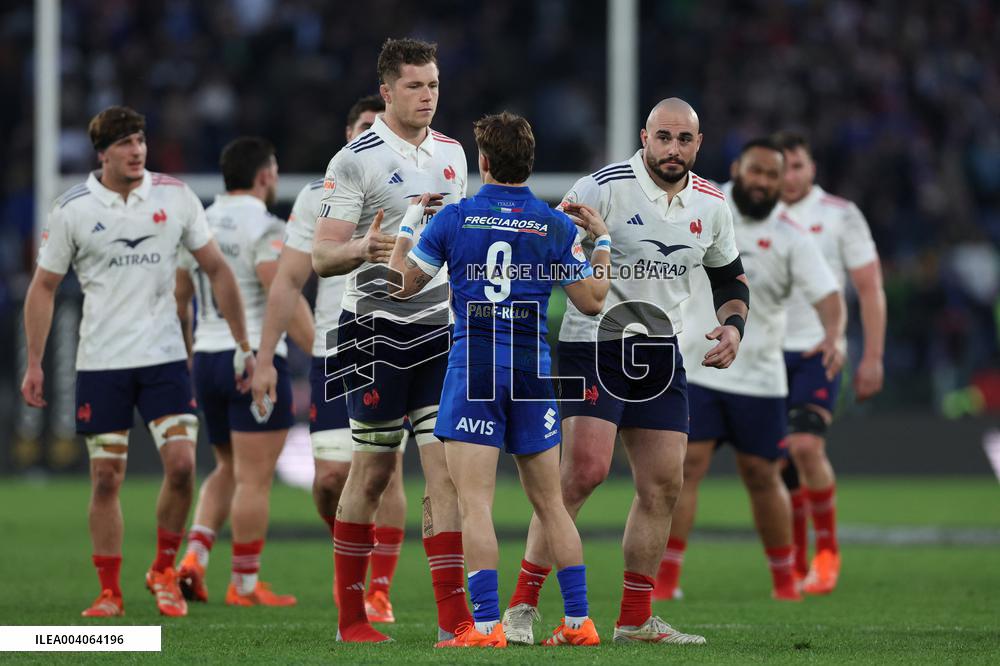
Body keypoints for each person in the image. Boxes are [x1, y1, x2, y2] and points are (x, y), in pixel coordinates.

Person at [502, 98, 748, 646]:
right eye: (663, 137)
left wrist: (733, 329)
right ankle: (520, 608)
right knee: (583, 473)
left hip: (660, 354)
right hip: (594, 346)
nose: (672, 149)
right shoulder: (603, 187)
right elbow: (545, 242)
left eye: (684, 139)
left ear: (698, 144)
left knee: (664, 485)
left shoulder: (711, 204)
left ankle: (635, 619)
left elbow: (729, 278)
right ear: (644, 137)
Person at [20, 106, 252, 618]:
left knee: (183, 466)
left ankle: (164, 571)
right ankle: (109, 591)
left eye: (141, 140)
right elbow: (43, 288)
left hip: (165, 358)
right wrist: (35, 362)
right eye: (125, 143)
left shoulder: (175, 196)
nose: (137, 151)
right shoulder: (72, 209)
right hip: (102, 363)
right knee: (105, 479)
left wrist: (244, 344)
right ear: (102, 153)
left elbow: (216, 270)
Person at [390, 112, 609, 648]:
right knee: (550, 505)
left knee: (475, 505)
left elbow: (397, 285)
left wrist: (405, 225)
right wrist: (601, 239)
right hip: (533, 369)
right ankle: (578, 621)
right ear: (529, 163)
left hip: (475, 369)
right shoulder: (555, 225)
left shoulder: (456, 218)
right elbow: (592, 300)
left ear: (483, 162)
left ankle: (486, 627)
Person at [306, 37, 472, 643]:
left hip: (437, 329)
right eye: (414, 86)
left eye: (432, 85)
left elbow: (455, 238)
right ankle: (353, 619)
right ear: (386, 92)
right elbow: (323, 256)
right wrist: (361, 249)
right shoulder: (356, 159)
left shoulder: (454, 154)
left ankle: (454, 623)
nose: (427, 96)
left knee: (446, 473)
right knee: (371, 473)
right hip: (369, 330)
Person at [659, 138, 846, 601]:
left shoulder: (791, 235)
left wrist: (833, 334)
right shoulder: (701, 206)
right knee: (686, 468)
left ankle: (784, 583)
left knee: (763, 475)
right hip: (697, 366)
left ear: (783, 182)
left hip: (760, 375)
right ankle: (664, 581)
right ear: (738, 168)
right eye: (755, 171)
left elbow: (829, 296)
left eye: (771, 176)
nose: (762, 182)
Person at [248, 95, 408, 624]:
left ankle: (377, 590)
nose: (372, 138)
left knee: (385, 472)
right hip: (335, 351)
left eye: (378, 129)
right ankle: (351, 555)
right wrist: (266, 356)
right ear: (348, 134)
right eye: (364, 128)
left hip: (397, 343)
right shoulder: (318, 197)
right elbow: (289, 280)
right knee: (330, 481)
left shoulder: (416, 184)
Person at [174, 137, 309, 607]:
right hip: (250, 361)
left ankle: (193, 557)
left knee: (228, 467)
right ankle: (245, 584)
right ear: (265, 176)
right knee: (255, 478)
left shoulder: (199, 223)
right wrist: (320, 349)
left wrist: (191, 352)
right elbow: (281, 294)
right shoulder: (267, 227)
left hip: (208, 358)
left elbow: (180, 295)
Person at [773, 131, 886, 594]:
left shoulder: (840, 216)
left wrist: (873, 357)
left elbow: (869, 288)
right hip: (765, 355)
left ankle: (827, 553)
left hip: (821, 350)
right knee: (781, 462)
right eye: (781, 167)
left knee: (805, 446)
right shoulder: (751, 214)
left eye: (797, 165)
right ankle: (799, 561)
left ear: (812, 168)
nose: (790, 176)